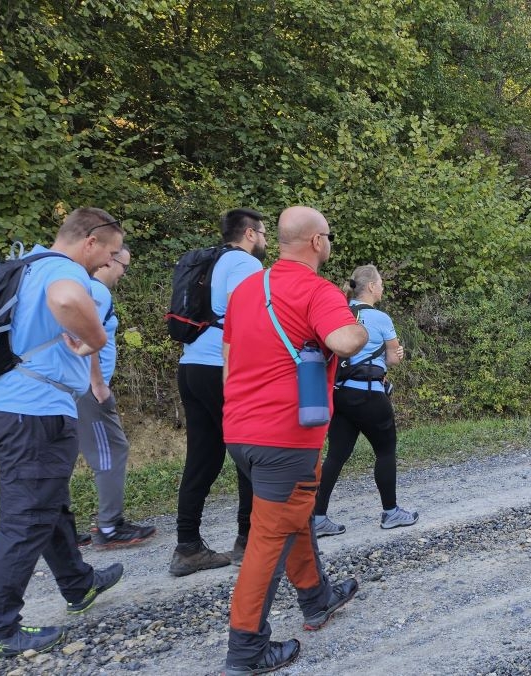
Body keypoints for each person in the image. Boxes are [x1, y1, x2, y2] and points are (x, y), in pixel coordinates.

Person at [0, 208, 126, 662]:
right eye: (111, 252)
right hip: (33, 410)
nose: (110, 261)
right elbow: (66, 298)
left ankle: (78, 584)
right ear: (91, 241)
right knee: (27, 517)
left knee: (48, 502)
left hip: (1, 401)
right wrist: (97, 339)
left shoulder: (23, 264)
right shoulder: (64, 271)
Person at [221, 206, 367, 674]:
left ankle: (317, 598)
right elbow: (344, 341)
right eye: (329, 236)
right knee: (269, 540)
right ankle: (246, 650)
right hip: (285, 437)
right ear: (317, 242)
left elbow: (228, 359)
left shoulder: (247, 289)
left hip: (240, 430)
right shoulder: (317, 290)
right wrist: (361, 324)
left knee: (292, 516)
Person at [171, 208, 266, 576]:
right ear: (249, 234)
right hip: (222, 368)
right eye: (262, 233)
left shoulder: (209, 261)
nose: (265, 240)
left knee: (202, 457)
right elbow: (249, 317)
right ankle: (248, 539)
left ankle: (187, 546)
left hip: (191, 365)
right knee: (248, 450)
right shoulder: (245, 264)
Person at [313, 264, 418, 536]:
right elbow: (393, 358)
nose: (382, 287)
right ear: (371, 286)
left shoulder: (340, 313)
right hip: (370, 393)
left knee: (336, 455)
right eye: (380, 283)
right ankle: (391, 512)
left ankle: (318, 517)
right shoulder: (380, 318)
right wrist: (397, 354)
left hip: (340, 394)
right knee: (385, 451)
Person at [76, 245, 156, 547]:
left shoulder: (80, 287)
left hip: (74, 387)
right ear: (109, 261)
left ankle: (59, 530)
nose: (124, 273)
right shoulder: (96, 291)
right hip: (88, 389)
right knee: (112, 450)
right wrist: (98, 384)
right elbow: (87, 337)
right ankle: (109, 526)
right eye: (124, 266)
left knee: (63, 456)